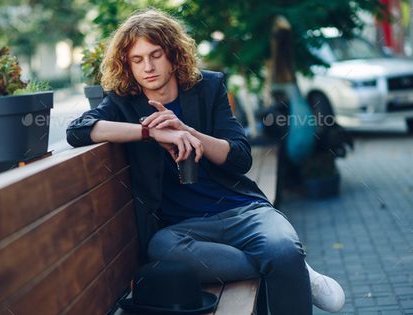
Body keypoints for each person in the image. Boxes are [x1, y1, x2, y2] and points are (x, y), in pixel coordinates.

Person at [66, 9, 345, 314]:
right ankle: (294, 268)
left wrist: (188, 132)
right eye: (137, 59)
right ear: (127, 65)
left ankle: (285, 261)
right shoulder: (123, 102)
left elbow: (240, 156)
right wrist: (150, 132)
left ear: (173, 54)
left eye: (155, 54)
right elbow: (77, 131)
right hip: (184, 229)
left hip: (241, 210)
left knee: (282, 247)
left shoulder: (208, 88)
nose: (147, 67)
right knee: (161, 248)